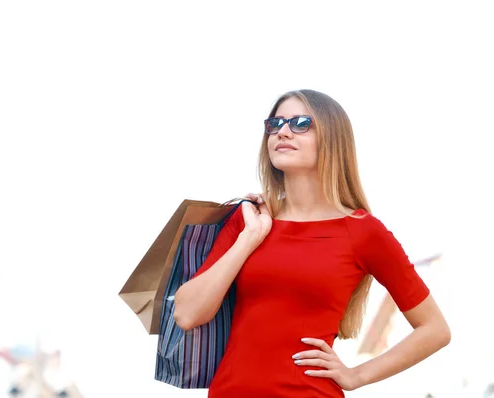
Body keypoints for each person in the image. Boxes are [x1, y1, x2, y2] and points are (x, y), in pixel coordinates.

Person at [172, 89, 450, 397]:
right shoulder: (249, 219)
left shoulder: (363, 231)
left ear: (332, 138)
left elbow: (435, 330)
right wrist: (250, 237)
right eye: (275, 124)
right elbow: (186, 314)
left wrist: (357, 375)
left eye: (301, 123)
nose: (283, 132)